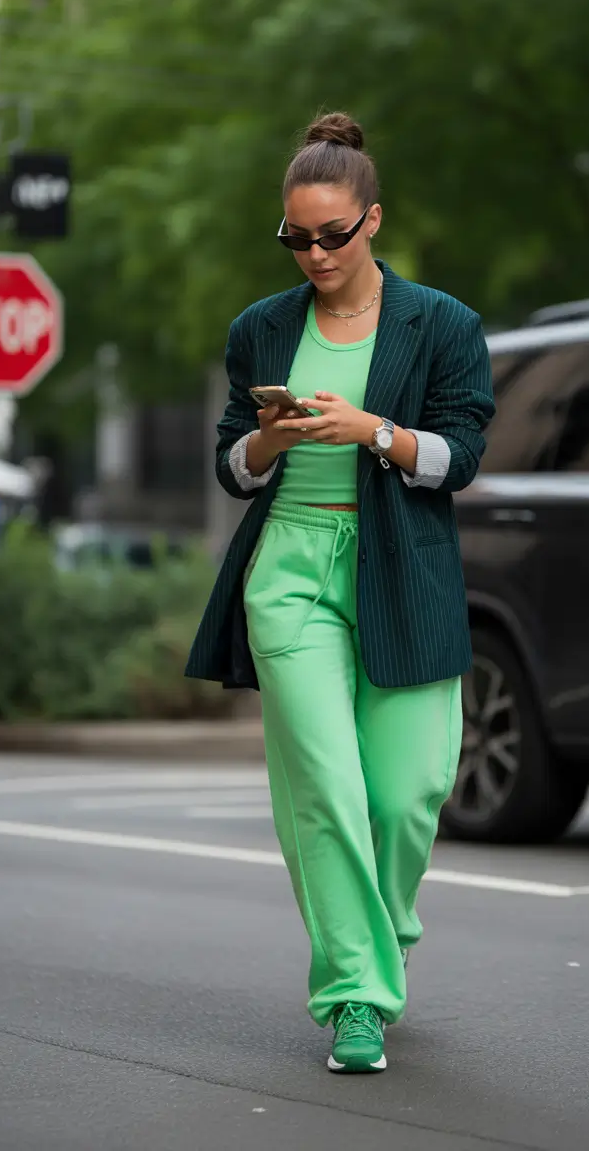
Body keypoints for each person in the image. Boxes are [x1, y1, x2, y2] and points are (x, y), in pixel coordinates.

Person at [186, 112, 495, 1074]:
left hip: (400, 563)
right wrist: (269, 439)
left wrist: (374, 430)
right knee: (324, 785)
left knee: (408, 794)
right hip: (290, 571)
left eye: (330, 234)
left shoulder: (440, 323)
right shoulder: (263, 329)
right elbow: (234, 466)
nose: (312, 253)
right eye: (295, 236)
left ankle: (379, 926)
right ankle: (354, 993)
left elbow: (463, 457)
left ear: (372, 222)